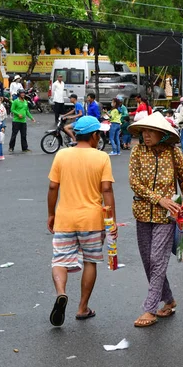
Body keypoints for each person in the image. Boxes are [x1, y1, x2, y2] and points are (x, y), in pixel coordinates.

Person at [47, 116, 117, 327]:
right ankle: (82, 307)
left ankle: (61, 293)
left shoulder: (62, 155)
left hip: (65, 218)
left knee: (59, 260)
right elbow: (106, 189)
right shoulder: (101, 157)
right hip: (92, 220)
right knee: (89, 261)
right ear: (94, 135)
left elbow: (52, 187)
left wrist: (51, 214)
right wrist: (111, 220)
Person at [128, 112, 183, 327]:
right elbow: (134, 183)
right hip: (142, 212)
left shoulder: (173, 152)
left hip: (168, 215)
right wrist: (159, 199)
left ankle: (149, 309)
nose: (146, 135)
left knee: (157, 259)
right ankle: (169, 300)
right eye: (143, 131)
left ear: (161, 133)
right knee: (148, 261)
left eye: (150, 131)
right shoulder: (137, 151)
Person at [9, 89, 35, 153]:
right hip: (16, 121)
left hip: (23, 121)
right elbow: (12, 110)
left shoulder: (25, 102)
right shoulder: (15, 101)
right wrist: (18, 114)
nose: (23, 94)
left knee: (23, 135)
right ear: (19, 94)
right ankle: (11, 147)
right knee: (14, 135)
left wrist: (32, 118)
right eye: (21, 93)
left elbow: (27, 111)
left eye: (23, 93)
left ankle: (24, 148)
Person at [0, 95, 7, 161]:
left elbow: (4, 118)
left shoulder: (2, 107)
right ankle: (1, 154)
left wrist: (3, 127)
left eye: (0, 100)